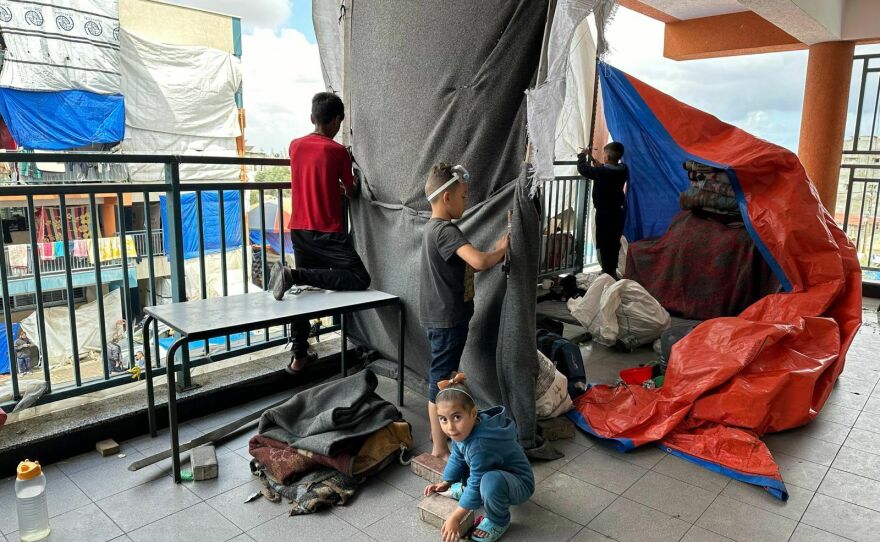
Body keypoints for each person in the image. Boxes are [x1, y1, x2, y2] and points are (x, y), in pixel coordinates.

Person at [269, 92, 371, 375]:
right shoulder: (337, 151)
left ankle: (299, 356)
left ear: (312, 118)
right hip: (328, 231)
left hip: (300, 228)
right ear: (337, 120)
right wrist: (348, 181)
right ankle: (296, 276)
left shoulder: (295, 146)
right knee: (360, 278)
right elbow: (351, 191)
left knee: (301, 297)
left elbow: (313, 176)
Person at [420, 162, 509, 460]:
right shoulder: (444, 231)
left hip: (445, 318)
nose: (465, 202)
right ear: (447, 198)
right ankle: (439, 446)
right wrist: (501, 250)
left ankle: (447, 435)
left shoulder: (432, 229)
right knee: (440, 381)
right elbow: (479, 262)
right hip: (447, 320)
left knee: (444, 376)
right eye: (463, 196)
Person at [424, 374, 534, 542]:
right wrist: (446, 481)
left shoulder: (481, 444)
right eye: (443, 419)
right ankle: (470, 490)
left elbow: (477, 480)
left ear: (473, 413)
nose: (450, 427)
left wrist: (455, 517)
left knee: (488, 480)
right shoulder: (467, 429)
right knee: (473, 466)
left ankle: (498, 520)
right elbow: (458, 455)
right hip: (498, 473)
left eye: (457, 417)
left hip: (520, 483)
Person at [577, 141, 628, 278]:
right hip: (618, 212)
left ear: (607, 157)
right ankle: (611, 270)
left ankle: (607, 273)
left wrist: (582, 155)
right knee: (613, 243)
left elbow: (583, 169)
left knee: (604, 243)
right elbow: (609, 170)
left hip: (604, 214)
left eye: (604, 155)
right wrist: (601, 166)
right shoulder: (623, 169)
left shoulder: (601, 172)